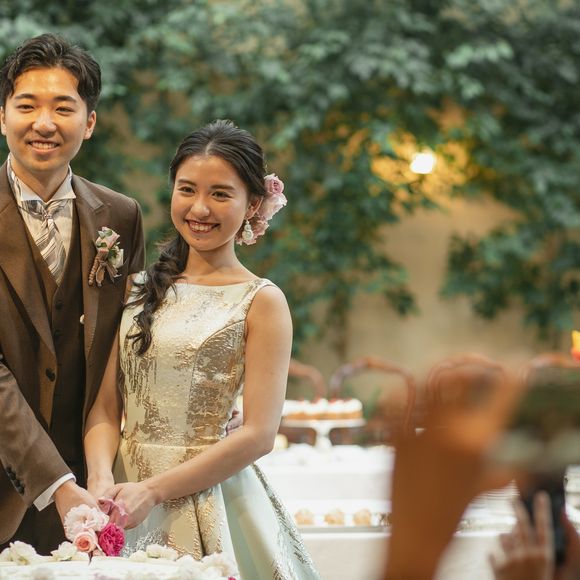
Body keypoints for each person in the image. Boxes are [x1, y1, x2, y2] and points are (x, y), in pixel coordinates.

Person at [84, 119, 320, 578]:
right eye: (187, 189)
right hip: (122, 497)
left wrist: (153, 490)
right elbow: (105, 408)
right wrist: (99, 481)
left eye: (220, 194)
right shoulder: (136, 288)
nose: (200, 208)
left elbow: (259, 434)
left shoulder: (262, 300)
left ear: (253, 204)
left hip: (209, 498)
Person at [0, 34, 145, 553]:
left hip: (94, 494)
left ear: (89, 122)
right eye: (27, 106)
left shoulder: (121, 217)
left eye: (63, 107)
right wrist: (57, 484)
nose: (44, 123)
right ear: (2, 117)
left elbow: (132, 344)